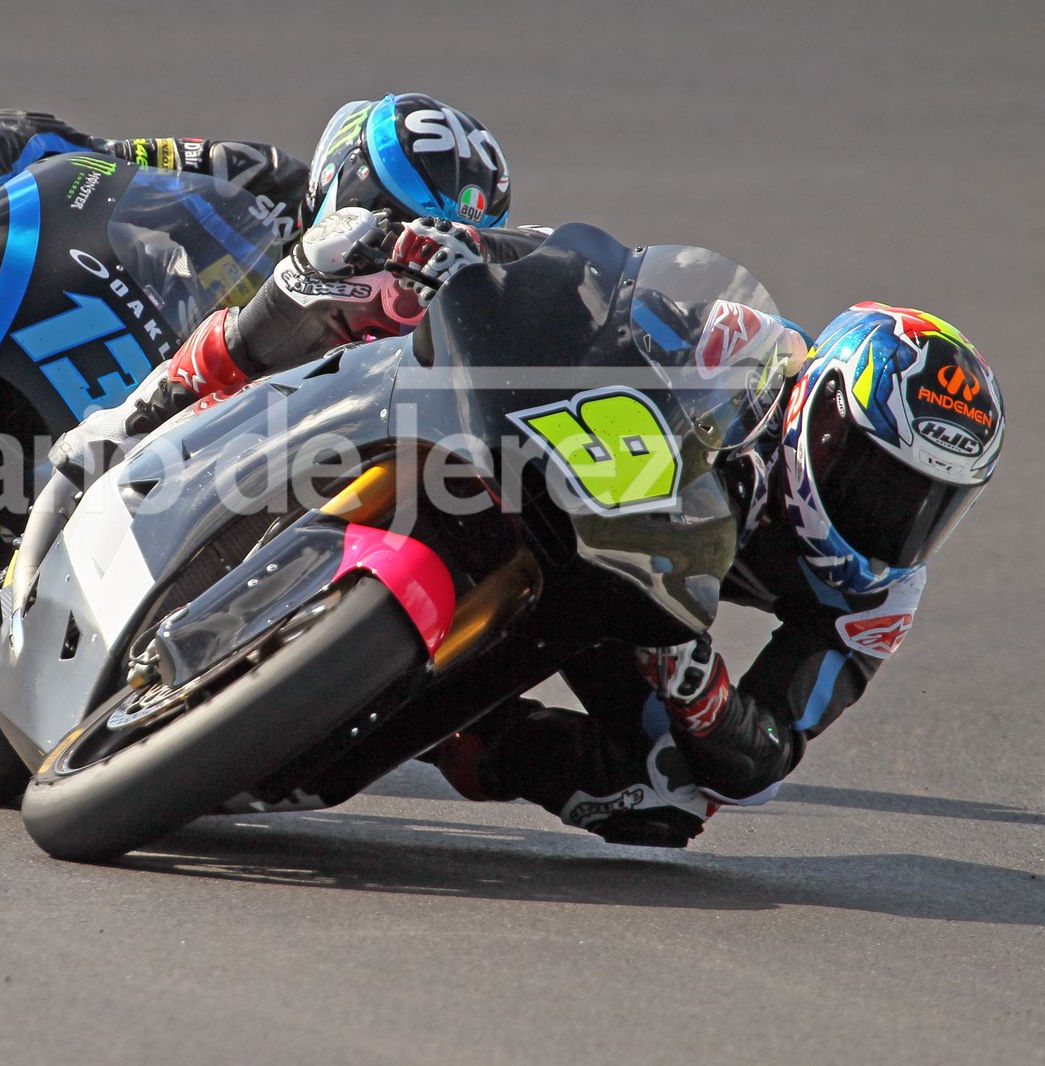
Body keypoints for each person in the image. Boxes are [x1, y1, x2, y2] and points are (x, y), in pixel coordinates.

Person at [430, 302, 1006, 847]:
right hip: (545, 473)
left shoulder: (881, 596)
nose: (895, 516)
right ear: (823, 411)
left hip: (633, 604)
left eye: (932, 503)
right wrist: (473, 252)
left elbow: (765, 757)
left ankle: (446, 733)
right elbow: (579, 278)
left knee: (666, 795)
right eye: (879, 480)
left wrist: (705, 698)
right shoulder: (736, 348)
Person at [0, 94, 512, 430]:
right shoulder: (264, 177)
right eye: (388, 215)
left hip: (193, 439)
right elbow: (99, 152)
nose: (401, 247)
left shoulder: (411, 334)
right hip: (95, 319)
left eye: (427, 240)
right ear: (338, 181)